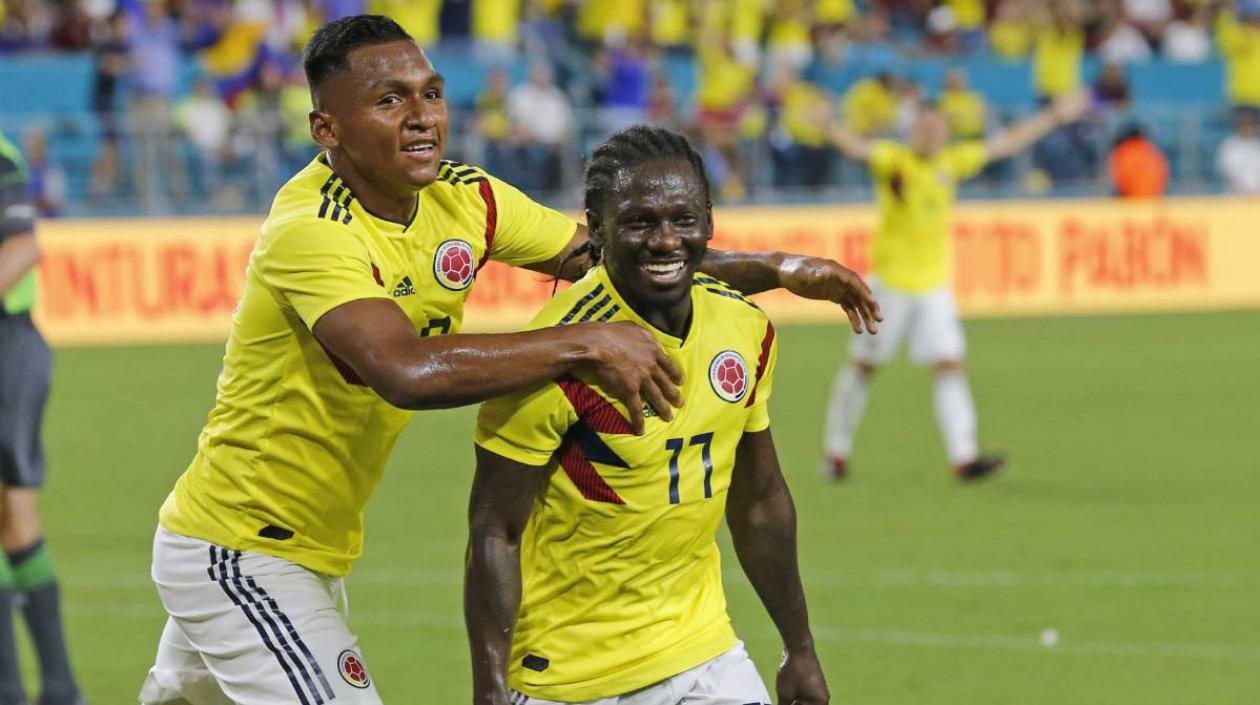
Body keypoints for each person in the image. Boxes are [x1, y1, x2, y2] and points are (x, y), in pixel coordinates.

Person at [140, 15, 879, 705]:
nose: (423, 115)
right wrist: (587, 342)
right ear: (326, 129)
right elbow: (403, 371)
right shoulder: (313, 230)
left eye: (430, 92)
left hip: (310, 545)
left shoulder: (467, 198)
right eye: (389, 100)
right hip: (240, 546)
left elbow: (626, 255)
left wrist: (778, 267)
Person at [466, 125, 828, 705]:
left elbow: (759, 501)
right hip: (572, 677)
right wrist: (489, 691)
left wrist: (799, 648)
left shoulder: (745, 328)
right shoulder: (550, 354)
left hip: (705, 653)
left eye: (683, 219)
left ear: (709, 222)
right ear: (598, 225)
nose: (665, 241)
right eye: (640, 221)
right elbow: (495, 532)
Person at [822, 91, 1089, 481]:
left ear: (945, 133)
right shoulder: (895, 161)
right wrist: (828, 126)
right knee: (865, 365)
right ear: (911, 131)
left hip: (933, 286)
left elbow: (1007, 143)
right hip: (890, 283)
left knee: (949, 364)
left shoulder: (952, 162)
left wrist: (1053, 116)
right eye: (924, 128)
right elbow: (858, 149)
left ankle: (964, 456)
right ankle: (836, 452)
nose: (930, 135)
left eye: (937, 129)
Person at [0, 132, 85, 705]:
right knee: (13, 519)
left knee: (13, 512)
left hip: (8, 346)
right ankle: (56, 688)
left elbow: (22, 248)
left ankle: (38, 686)